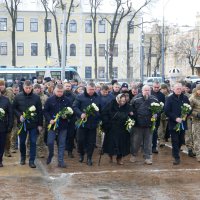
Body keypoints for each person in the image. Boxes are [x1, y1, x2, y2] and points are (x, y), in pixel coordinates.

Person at [13, 80, 43, 168]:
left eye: (30, 88)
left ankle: (31, 161)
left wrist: (40, 125)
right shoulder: (18, 97)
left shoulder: (36, 98)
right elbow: (14, 108)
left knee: (33, 142)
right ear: (23, 87)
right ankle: (23, 157)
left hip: (33, 124)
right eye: (26, 88)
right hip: (22, 124)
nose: (28, 89)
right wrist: (19, 116)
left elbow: (40, 112)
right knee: (22, 142)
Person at [44, 84, 72, 168]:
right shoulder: (49, 100)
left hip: (63, 125)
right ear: (54, 91)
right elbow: (45, 111)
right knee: (50, 142)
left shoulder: (67, 100)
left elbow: (71, 111)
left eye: (61, 91)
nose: (60, 93)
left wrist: (66, 116)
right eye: (58, 91)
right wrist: (49, 120)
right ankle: (51, 154)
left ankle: (60, 161)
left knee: (62, 143)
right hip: (52, 125)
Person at [73, 82, 101, 166]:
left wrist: (99, 117)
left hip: (93, 124)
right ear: (86, 88)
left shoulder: (97, 97)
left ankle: (89, 158)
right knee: (80, 140)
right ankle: (81, 154)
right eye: (90, 89)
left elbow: (101, 109)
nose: (91, 91)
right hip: (82, 123)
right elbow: (74, 107)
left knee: (91, 142)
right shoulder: (80, 97)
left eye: (93, 89)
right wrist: (80, 114)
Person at [130, 85, 158, 165]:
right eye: (145, 90)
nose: (147, 92)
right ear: (141, 91)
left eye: (148, 90)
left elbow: (158, 110)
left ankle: (148, 157)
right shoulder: (136, 99)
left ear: (150, 91)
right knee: (136, 141)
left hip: (149, 124)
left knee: (148, 142)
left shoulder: (154, 99)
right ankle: (133, 155)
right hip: (138, 124)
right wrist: (133, 117)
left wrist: (156, 114)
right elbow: (131, 109)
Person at [101, 94, 132, 165]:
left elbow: (131, 114)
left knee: (122, 144)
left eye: (124, 101)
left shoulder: (127, 106)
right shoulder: (111, 104)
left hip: (122, 128)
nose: (122, 103)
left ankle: (119, 158)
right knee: (111, 143)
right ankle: (110, 156)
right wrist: (106, 123)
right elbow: (104, 114)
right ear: (117, 99)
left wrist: (131, 116)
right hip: (112, 128)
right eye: (121, 101)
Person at [165, 83, 190, 165]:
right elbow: (167, 111)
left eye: (180, 88)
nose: (179, 90)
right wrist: (175, 118)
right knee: (175, 140)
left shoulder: (185, 98)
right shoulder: (170, 98)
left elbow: (189, 109)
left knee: (181, 140)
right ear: (173, 89)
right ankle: (176, 157)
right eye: (177, 89)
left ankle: (176, 151)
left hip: (183, 123)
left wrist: (186, 115)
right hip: (173, 123)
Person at [33, 84, 48, 158]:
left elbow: (48, 107)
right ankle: (29, 151)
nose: (37, 90)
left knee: (41, 137)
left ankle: (40, 151)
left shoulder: (45, 97)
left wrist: (43, 108)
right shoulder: (31, 96)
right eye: (35, 88)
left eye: (38, 88)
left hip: (42, 119)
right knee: (30, 137)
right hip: (32, 118)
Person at [151, 82, 165, 154]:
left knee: (155, 131)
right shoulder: (149, 93)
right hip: (148, 116)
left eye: (157, 87)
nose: (156, 89)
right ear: (152, 87)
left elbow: (163, 106)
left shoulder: (162, 95)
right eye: (155, 87)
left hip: (157, 116)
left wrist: (158, 113)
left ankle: (154, 147)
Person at [0, 91, 13, 167]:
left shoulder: (6, 100)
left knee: (1, 144)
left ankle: (0, 160)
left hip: (2, 127)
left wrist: (10, 125)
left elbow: (10, 113)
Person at [189, 85, 200, 161]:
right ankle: (199, 155)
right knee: (197, 138)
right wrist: (196, 114)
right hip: (196, 121)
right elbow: (188, 110)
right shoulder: (192, 98)